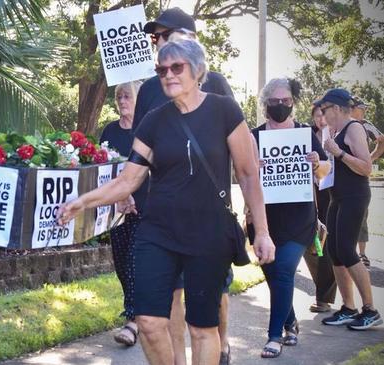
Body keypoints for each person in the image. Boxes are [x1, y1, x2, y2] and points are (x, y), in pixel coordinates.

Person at [57, 39, 275, 365]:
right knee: (148, 321)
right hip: (158, 233)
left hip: (208, 234)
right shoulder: (154, 121)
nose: (168, 75)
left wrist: (262, 231)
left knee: (202, 327)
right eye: (161, 69)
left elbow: (247, 173)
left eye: (176, 67)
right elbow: (128, 180)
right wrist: (82, 202)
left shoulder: (223, 110)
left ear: (197, 70)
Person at [136, 8, 236, 365]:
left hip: (208, 222)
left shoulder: (216, 84)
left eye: (162, 36)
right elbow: (140, 152)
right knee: (171, 297)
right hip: (162, 217)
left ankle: (220, 346)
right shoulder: (148, 89)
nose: (156, 43)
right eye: (154, 39)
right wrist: (131, 195)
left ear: (187, 36)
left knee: (211, 300)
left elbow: (237, 154)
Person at [248, 78, 330, 358]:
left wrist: (317, 164)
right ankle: (291, 322)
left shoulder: (305, 134)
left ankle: (274, 337)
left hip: (299, 219)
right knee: (275, 277)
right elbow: (241, 174)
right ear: (266, 104)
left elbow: (326, 171)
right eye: (275, 102)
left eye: (286, 101)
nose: (280, 106)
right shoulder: (254, 136)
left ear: (294, 102)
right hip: (263, 222)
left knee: (283, 270)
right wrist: (253, 167)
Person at [318, 88, 382, 330]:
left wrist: (340, 153)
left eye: (324, 110)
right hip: (337, 197)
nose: (322, 115)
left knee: (347, 250)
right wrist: (320, 160)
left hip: (355, 196)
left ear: (336, 108)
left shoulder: (353, 127)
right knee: (334, 250)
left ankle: (371, 310)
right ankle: (348, 307)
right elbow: (333, 167)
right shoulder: (332, 131)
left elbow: (366, 167)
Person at [99, 81, 142, 346]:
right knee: (121, 263)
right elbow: (103, 168)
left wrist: (133, 193)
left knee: (135, 263)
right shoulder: (110, 131)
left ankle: (133, 321)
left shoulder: (146, 131)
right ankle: (135, 310)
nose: (121, 100)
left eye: (127, 96)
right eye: (118, 96)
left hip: (143, 208)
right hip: (117, 208)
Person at [303, 104, 337, 313]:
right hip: (311, 193)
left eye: (323, 116)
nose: (320, 120)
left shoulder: (337, 134)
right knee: (313, 242)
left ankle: (324, 297)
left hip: (331, 193)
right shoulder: (306, 134)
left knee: (325, 242)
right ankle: (323, 290)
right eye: (317, 116)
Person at [349, 97, 384, 268]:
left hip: (360, 177)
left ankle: (361, 254)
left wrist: (370, 158)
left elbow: (382, 140)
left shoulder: (366, 125)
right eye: (362, 108)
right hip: (341, 177)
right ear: (352, 108)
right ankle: (345, 252)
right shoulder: (341, 124)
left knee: (361, 216)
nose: (365, 111)